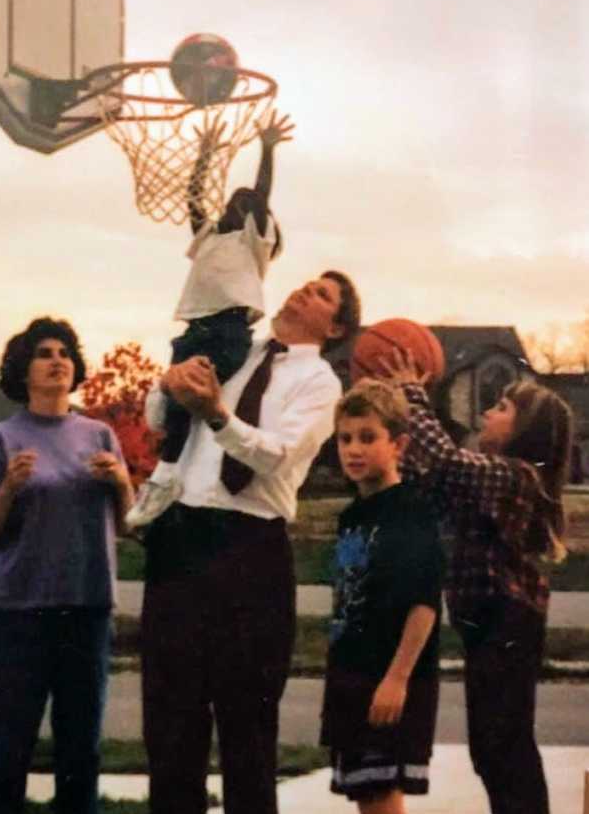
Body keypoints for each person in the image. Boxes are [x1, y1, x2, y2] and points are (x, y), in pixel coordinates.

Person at [140, 270, 362, 814]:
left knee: (248, 729)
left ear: (335, 326)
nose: (302, 290)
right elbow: (155, 420)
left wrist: (218, 412)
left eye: (322, 294)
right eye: (306, 282)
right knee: (170, 724)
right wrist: (167, 386)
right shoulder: (230, 346)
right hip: (180, 542)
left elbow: (276, 456)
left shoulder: (322, 384)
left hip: (249, 549)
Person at [381, 351, 574, 814]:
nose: (488, 411)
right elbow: (428, 475)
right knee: (493, 750)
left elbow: (445, 463)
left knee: (503, 747)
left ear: (527, 432)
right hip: (488, 624)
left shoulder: (515, 477)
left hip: (507, 622)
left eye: (502, 408)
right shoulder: (490, 479)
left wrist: (411, 393)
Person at [0, 317, 134, 814]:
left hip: (86, 609)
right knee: (7, 749)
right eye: (44, 352)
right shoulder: (1, 439)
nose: (57, 359)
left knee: (80, 749)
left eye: (64, 352)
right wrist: (9, 488)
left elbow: (128, 524)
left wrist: (122, 482)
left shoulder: (99, 434)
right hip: (18, 613)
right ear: (23, 369)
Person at [126, 109, 295, 526]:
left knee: (188, 398)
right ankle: (167, 470)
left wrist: (266, 148)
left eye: (245, 204)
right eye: (232, 202)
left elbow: (261, 192)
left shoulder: (252, 241)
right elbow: (194, 195)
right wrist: (204, 153)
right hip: (193, 329)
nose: (236, 205)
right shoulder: (209, 238)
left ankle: (164, 477)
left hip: (228, 330)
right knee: (173, 400)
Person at [321, 379, 443, 813]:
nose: (353, 449)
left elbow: (424, 602)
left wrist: (397, 678)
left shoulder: (410, 509)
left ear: (400, 444)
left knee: (380, 795)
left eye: (368, 438)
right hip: (351, 677)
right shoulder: (352, 516)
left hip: (388, 679)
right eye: (345, 438)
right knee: (364, 793)